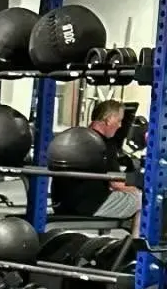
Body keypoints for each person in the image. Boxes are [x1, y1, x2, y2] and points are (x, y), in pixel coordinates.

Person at [50, 99, 142, 231]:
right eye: (119, 121)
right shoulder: (104, 145)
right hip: (89, 205)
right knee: (145, 200)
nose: (120, 125)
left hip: (61, 203)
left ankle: (107, 240)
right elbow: (116, 184)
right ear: (109, 119)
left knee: (111, 193)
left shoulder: (78, 136)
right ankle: (138, 248)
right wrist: (141, 187)